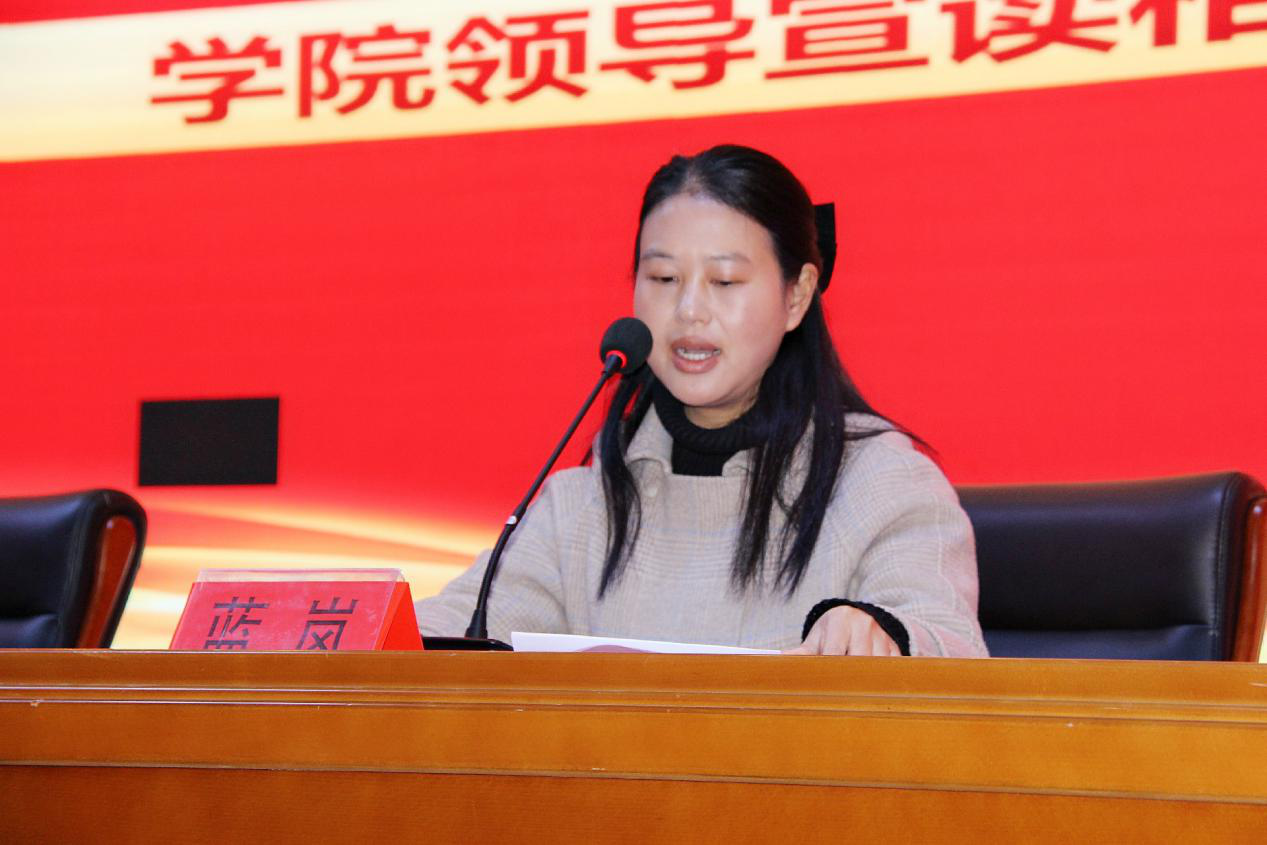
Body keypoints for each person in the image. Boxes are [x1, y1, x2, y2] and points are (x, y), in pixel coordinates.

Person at [416, 145, 987, 657]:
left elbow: (949, 644)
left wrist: (879, 631)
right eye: (664, 279)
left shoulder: (880, 482)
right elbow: (457, 632)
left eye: (724, 282)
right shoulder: (582, 505)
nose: (689, 310)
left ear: (797, 296)